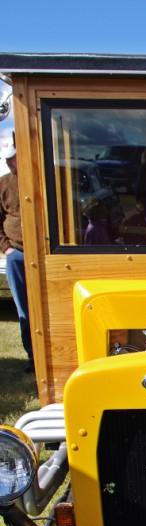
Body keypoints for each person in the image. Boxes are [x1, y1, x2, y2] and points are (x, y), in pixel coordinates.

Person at [0, 143, 33, 371]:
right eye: (9, 160)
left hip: (41, 255)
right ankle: (32, 356)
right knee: (23, 308)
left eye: (13, 159)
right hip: (17, 253)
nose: (11, 163)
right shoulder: (3, 184)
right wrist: (5, 248)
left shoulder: (36, 178)